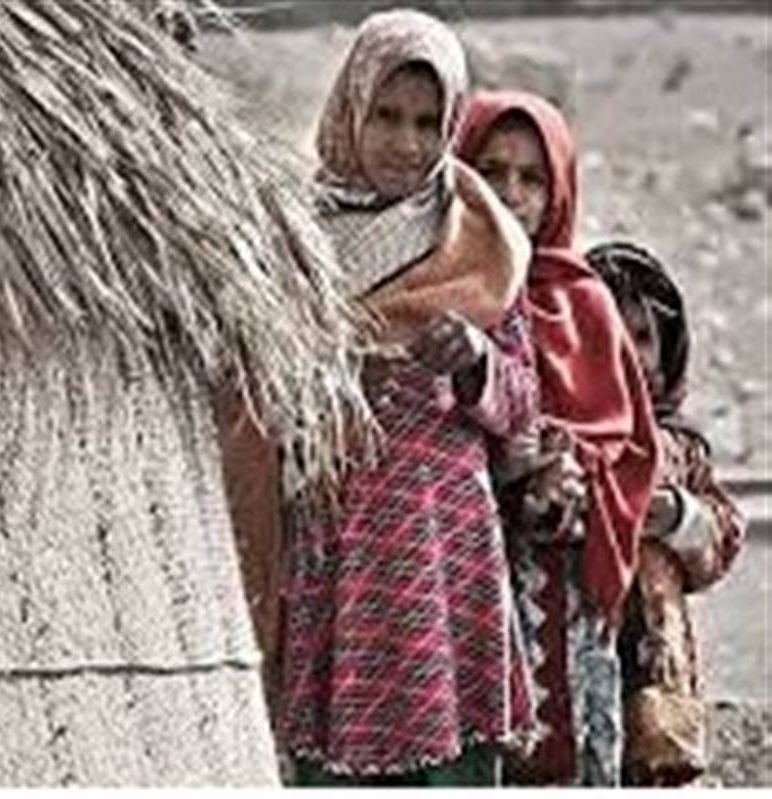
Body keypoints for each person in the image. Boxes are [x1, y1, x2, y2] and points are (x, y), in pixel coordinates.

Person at [277, 10, 539, 785]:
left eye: (428, 123)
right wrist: (329, 386)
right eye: (386, 116)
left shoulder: (479, 239)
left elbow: (523, 402)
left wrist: (476, 359)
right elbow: (249, 393)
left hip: (445, 556)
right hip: (339, 558)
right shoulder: (292, 240)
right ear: (349, 109)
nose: (406, 142)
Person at [456, 91, 662, 786]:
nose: (510, 193)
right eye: (491, 169)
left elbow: (633, 449)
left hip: (567, 597)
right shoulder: (443, 287)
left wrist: (566, 465)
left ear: (559, 191)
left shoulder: (585, 302)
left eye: (532, 177)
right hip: (456, 581)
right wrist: (503, 465)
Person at [586, 240, 746, 786]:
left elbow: (724, 531)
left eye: (642, 337)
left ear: (667, 349)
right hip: (580, 638)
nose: (627, 353)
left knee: (655, 758)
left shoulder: (680, 447)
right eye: (607, 335)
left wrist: (679, 517)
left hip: (657, 653)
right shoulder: (566, 439)